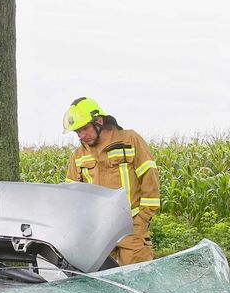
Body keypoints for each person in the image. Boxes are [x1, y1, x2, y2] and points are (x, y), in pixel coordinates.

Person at [62, 97, 160, 265]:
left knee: (137, 282)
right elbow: (71, 197)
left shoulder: (130, 140)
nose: (81, 136)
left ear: (99, 121)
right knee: (103, 286)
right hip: (98, 234)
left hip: (131, 229)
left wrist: (141, 221)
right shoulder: (78, 155)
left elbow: (150, 180)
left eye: (85, 129)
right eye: (77, 132)